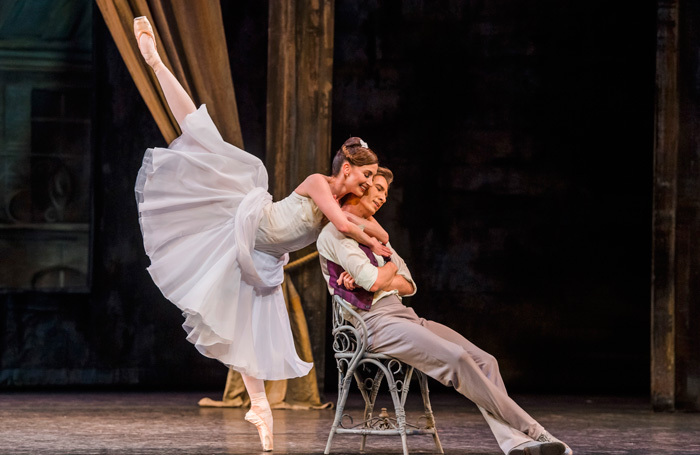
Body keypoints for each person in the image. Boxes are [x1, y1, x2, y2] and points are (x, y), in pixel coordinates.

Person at [131, 16, 391, 452]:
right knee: (202, 137)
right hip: (245, 219)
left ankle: (260, 409)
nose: (366, 185)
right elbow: (348, 224)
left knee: (245, 329)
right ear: (346, 169)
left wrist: (380, 238)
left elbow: (364, 223)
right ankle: (157, 62)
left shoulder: (343, 206)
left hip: (260, 256)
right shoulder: (318, 185)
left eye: (370, 180)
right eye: (365, 176)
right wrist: (370, 238)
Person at [316, 167, 573, 455]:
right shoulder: (336, 234)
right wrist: (384, 270)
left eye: (386, 193)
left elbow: (408, 283)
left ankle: (516, 444)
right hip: (374, 324)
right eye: (378, 189)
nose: (383, 198)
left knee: (485, 361)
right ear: (359, 188)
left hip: (404, 316)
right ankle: (534, 430)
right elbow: (378, 279)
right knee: (457, 358)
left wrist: (381, 272)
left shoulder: (375, 235)